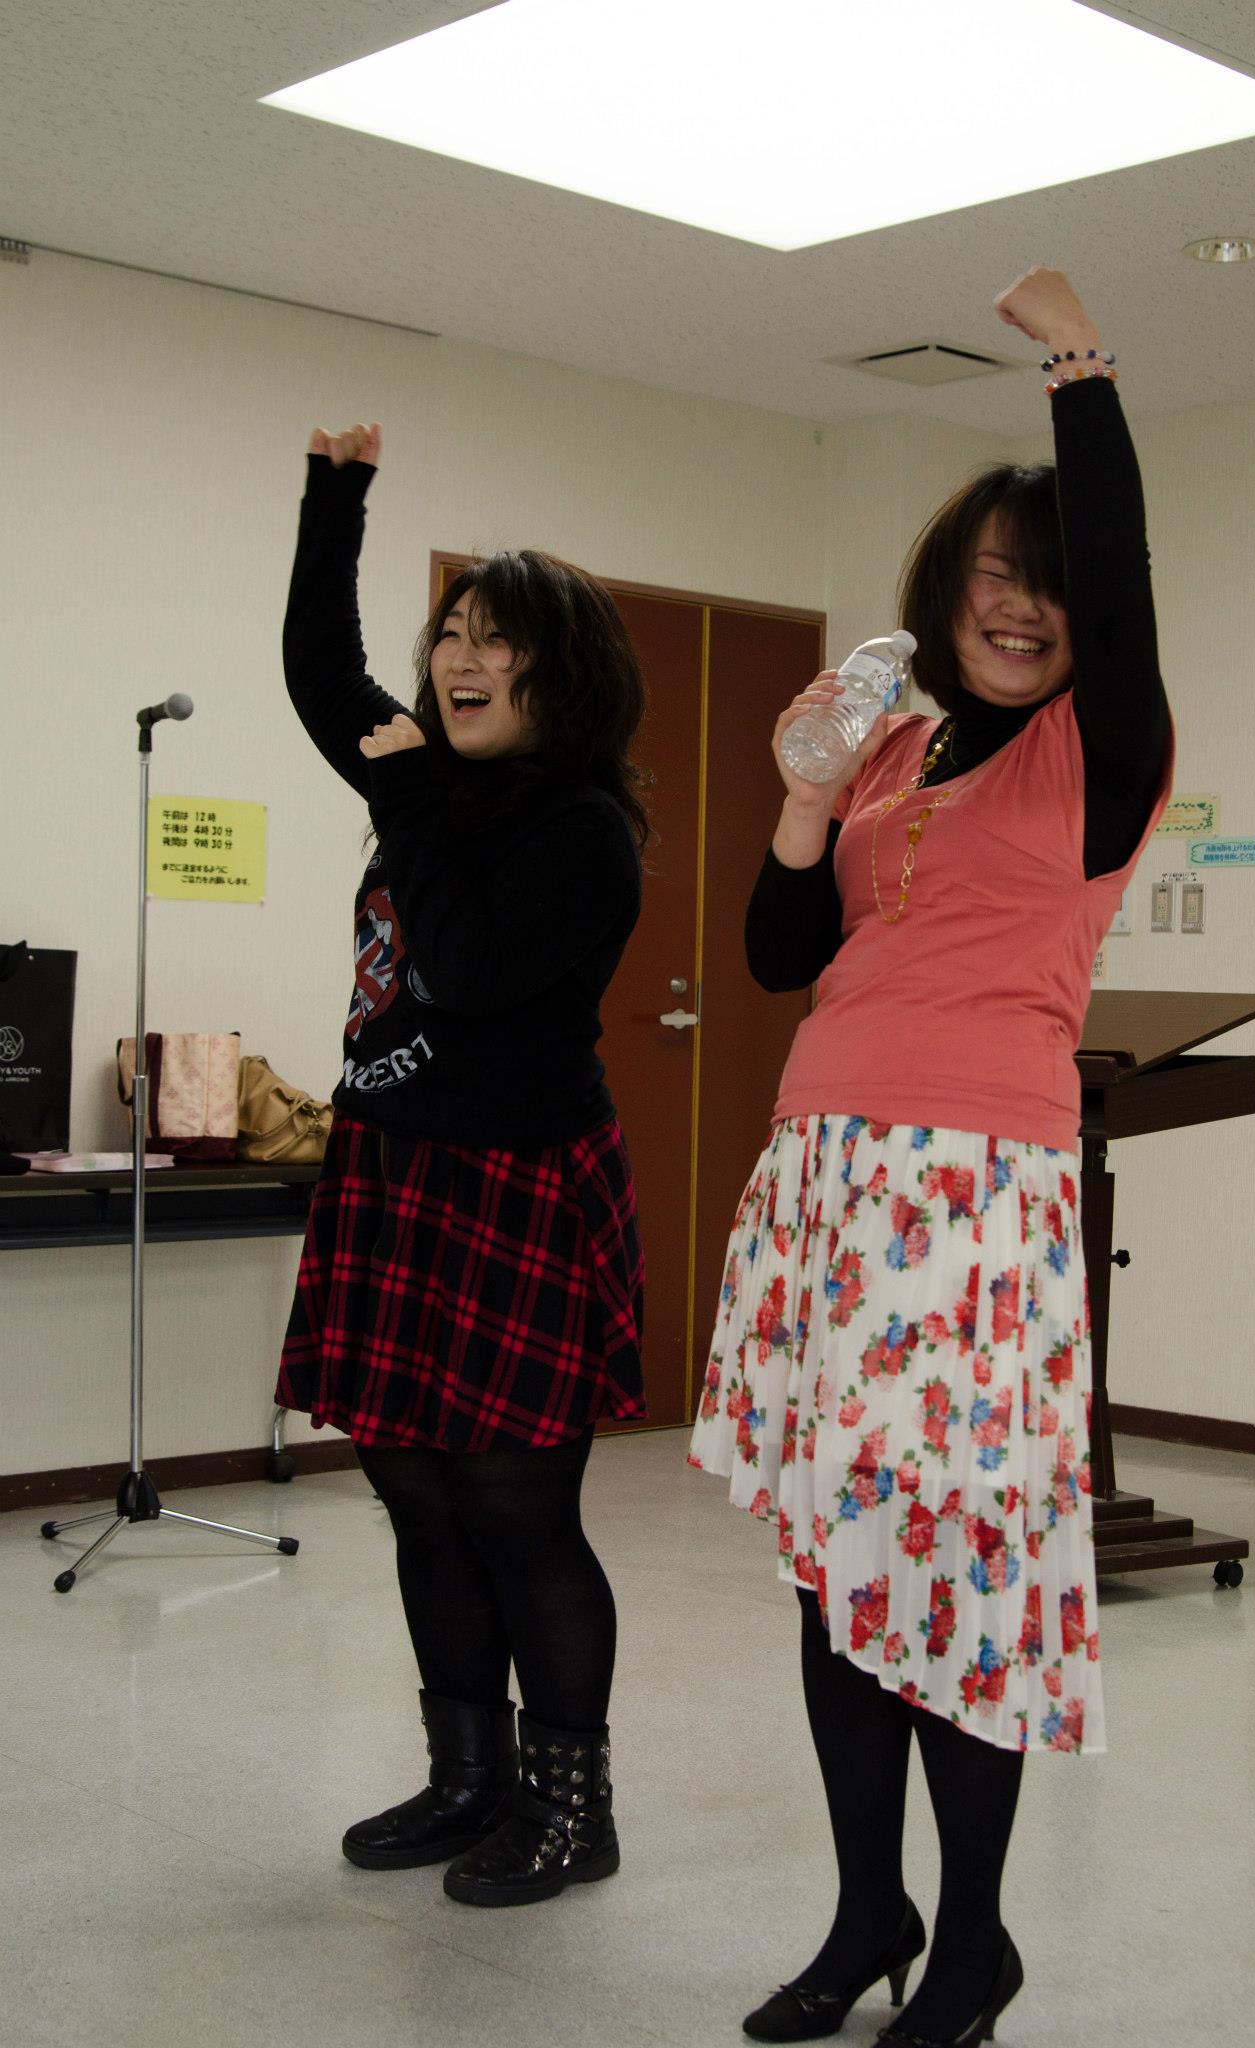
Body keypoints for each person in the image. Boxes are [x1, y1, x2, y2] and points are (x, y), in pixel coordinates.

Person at [689, 268, 1172, 2046]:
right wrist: (804, 796)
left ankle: (971, 1942)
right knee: (840, 1563)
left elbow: (1115, 576)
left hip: (971, 1194)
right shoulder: (888, 742)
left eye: (1045, 582)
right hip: (825, 1176)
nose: (1020, 606)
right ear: (938, 589)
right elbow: (774, 953)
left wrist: (1076, 366)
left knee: (956, 1570)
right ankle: (865, 1913)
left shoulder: (1102, 750)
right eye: (989, 574)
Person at [274, 420, 649, 1907]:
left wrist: (414, 799)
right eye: (452, 635)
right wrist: (336, 497)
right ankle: (467, 1777)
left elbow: (482, 971)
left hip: (516, 1186)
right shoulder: (422, 778)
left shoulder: (583, 828)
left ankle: (570, 1806)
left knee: (515, 1511)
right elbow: (320, 671)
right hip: (391, 1174)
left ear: (564, 675)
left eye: (499, 641)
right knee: (416, 1496)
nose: (460, 661)